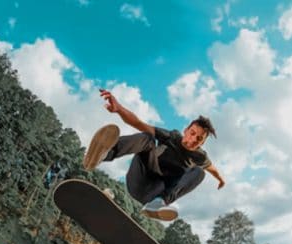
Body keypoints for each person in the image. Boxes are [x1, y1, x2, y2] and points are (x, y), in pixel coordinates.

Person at [83, 88, 225, 221]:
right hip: (139, 179)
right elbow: (138, 123)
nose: (193, 140)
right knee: (148, 138)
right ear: (186, 130)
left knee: (199, 172)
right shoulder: (171, 137)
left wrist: (221, 180)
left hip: (155, 193)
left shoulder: (200, 157)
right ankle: (102, 155)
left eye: (199, 139)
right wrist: (119, 109)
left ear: (202, 143)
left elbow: (212, 169)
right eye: (192, 133)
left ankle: (157, 204)